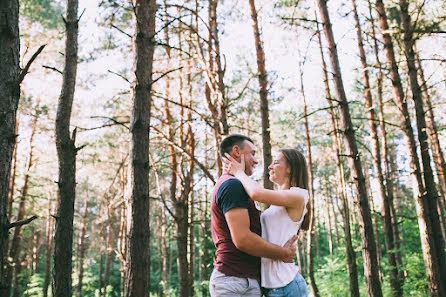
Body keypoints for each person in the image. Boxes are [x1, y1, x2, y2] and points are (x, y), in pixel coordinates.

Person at [209, 134, 299, 297]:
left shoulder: (238, 186)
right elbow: (243, 239)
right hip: (234, 282)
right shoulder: (232, 185)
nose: (256, 160)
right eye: (252, 153)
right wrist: (283, 253)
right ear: (237, 151)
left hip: (245, 281)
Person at [223, 148, 311, 297]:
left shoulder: (299, 195)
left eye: (276, 162)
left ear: (290, 168)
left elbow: (256, 193)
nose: (269, 167)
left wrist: (239, 172)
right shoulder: (277, 204)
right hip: (271, 288)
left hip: (288, 285)